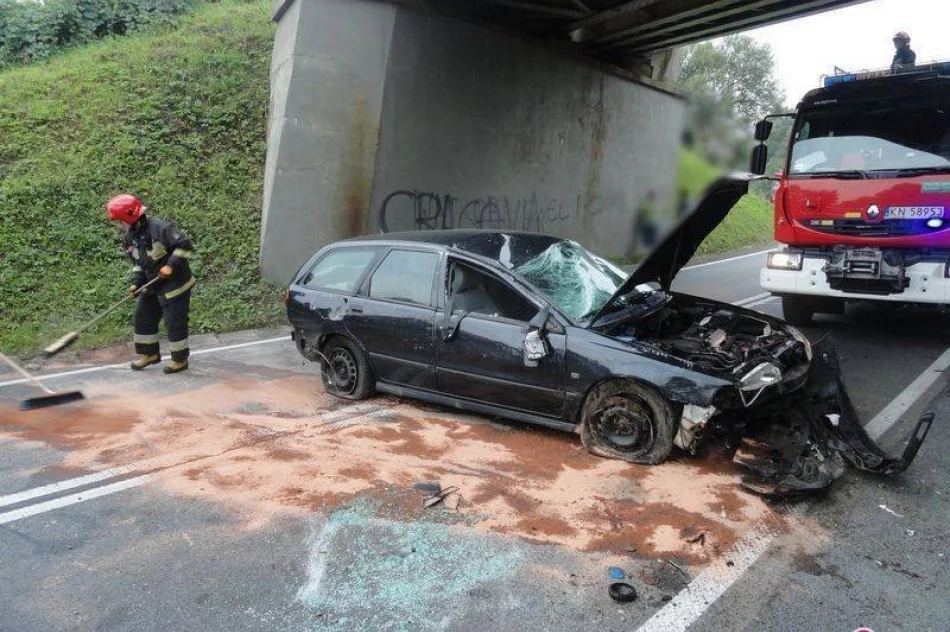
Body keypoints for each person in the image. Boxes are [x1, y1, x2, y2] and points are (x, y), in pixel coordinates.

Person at [107, 194, 196, 373]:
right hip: (152, 284)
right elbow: (138, 265)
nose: (120, 225)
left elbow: (184, 245)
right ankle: (149, 354)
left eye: (121, 221)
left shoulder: (160, 228)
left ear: (131, 216)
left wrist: (170, 266)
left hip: (175, 284)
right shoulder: (129, 239)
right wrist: (135, 283)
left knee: (174, 322)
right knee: (143, 317)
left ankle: (180, 360)